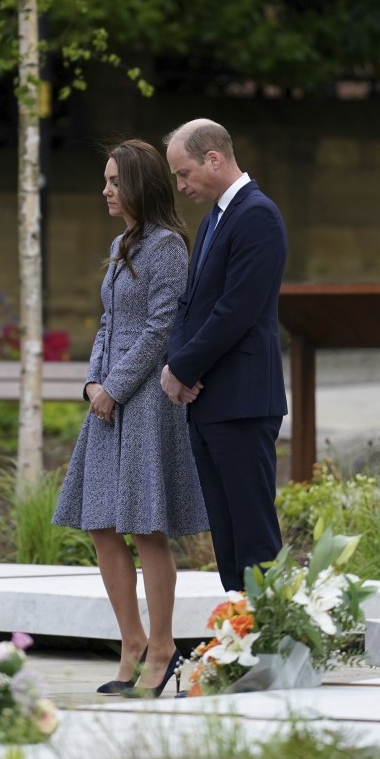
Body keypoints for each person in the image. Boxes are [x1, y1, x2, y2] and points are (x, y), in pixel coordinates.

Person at [54, 138, 208, 699]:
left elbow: (161, 329)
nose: (106, 190)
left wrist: (116, 387)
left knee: (145, 528)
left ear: (140, 184)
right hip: (108, 402)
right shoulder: (123, 243)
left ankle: (163, 647)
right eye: (106, 180)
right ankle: (133, 642)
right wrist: (93, 382)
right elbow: (107, 322)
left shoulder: (167, 246)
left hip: (144, 405)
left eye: (115, 181)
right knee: (100, 524)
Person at [159, 118, 288, 594]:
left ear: (213, 159)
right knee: (228, 541)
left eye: (184, 172)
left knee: (254, 538)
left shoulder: (257, 215)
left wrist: (184, 368)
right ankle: (240, 642)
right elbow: (190, 304)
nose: (180, 185)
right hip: (209, 401)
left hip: (242, 400)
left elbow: (237, 309)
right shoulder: (215, 217)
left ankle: (273, 650)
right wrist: (175, 366)